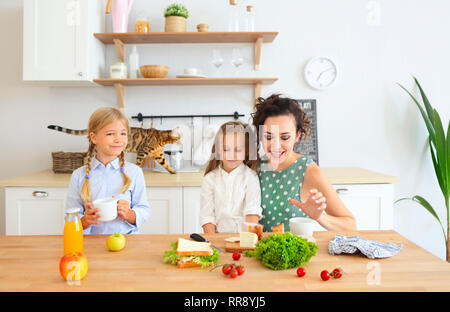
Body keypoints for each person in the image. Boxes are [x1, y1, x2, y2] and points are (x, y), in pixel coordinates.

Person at [251, 94, 356, 232]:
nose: (276, 146)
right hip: (253, 252)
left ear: (297, 135)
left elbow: (350, 225)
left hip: (292, 253)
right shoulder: (254, 166)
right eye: (268, 137)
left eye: (285, 137)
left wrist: (320, 217)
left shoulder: (308, 171)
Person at [65, 107, 150, 234]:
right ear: (94, 138)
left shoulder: (135, 172)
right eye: (110, 133)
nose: (118, 139)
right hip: (91, 245)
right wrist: (85, 221)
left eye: (123, 133)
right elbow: (70, 219)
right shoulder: (78, 176)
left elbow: (143, 209)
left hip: (127, 242)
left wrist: (129, 214)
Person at [200, 121, 262, 233]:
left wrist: (246, 242)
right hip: (217, 238)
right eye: (225, 149)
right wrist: (213, 242)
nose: (231, 155)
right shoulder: (209, 179)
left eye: (238, 150)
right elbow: (207, 217)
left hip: (244, 238)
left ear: (246, 151)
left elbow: (252, 212)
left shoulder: (250, 177)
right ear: (218, 150)